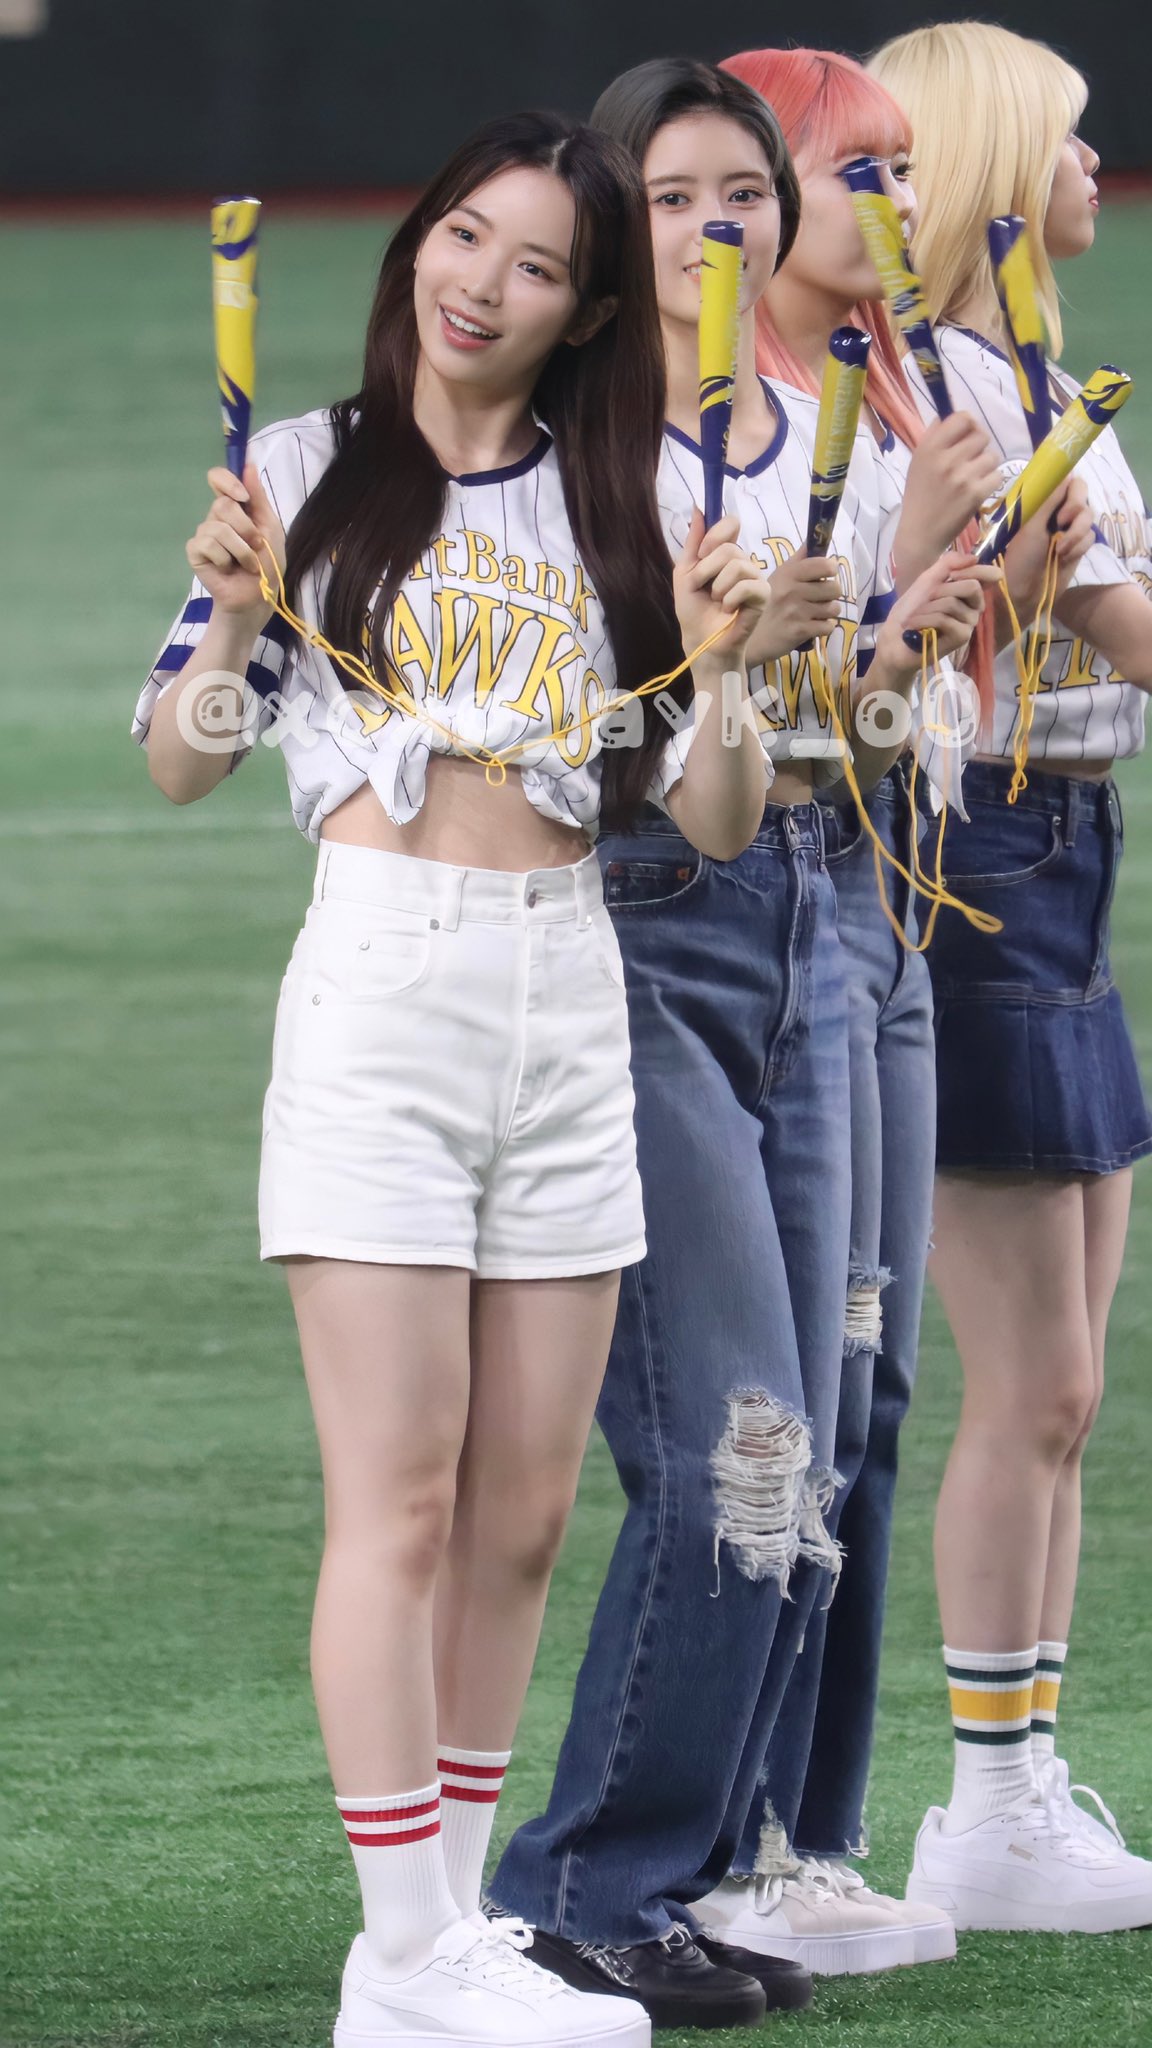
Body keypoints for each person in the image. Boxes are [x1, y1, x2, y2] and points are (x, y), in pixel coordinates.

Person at [131, 110, 774, 2048]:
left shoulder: (633, 498)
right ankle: (400, 1950)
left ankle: (457, 1934)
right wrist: (233, 604)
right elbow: (182, 753)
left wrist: (729, 667)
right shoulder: (302, 469)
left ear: (587, 312)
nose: (484, 286)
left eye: (538, 266)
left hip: (569, 991)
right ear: (420, 241)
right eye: (465, 239)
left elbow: (719, 817)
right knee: (398, 1501)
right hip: (382, 988)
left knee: (518, 1517)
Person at [489, 59, 995, 2026]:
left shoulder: (816, 427)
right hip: (646, 931)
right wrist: (763, 657)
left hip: (815, 918)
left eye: (746, 193)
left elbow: (832, 730)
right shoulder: (567, 450)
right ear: (616, 222)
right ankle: (584, 1882)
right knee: (741, 1446)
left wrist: (890, 630)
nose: (723, 226)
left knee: (822, 1429)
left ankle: (718, 1859)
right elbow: (586, 751)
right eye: (678, 194)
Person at [690, 42, 1092, 1972]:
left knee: (875, 1395)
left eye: (908, 174)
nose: (902, 207)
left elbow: (908, 685)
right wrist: (930, 559)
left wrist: (997, 580)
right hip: (784, 902)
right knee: (778, 1412)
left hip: (896, 886)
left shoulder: (901, 379)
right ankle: (729, 1836)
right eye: (863, 173)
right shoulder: (736, 423)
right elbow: (768, 704)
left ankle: (821, 1832)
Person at [866, 19, 1152, 1932]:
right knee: (1032, 1381)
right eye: (1066, 138)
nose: (1093, 166)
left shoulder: (1026, 374)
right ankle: (984, 1805)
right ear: (990, 166)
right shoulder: (950, 390)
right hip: (987, 853)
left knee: (1068, 1387)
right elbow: (1119, 625)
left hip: (1059, 849)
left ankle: (1026, 1779)